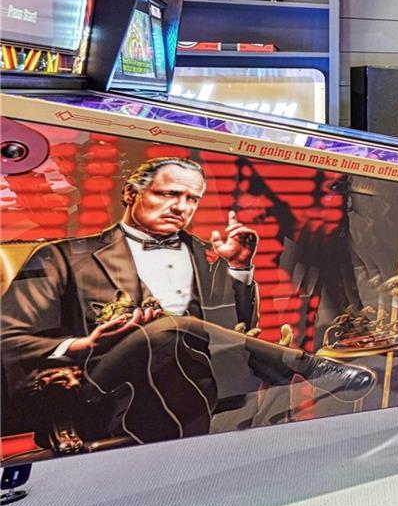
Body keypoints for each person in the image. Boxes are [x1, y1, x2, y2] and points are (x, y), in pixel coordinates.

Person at [1, 157, 374, 447]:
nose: (180, 206)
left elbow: (236, 334)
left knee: (181, 344)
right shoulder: (65, 257)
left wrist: (240, 269)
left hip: (199, 384)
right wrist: (84, 344)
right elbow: (8, 338)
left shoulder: (205, 254)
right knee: (169, 329)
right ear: (131, 193)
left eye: (191, 198)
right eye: (167, 194)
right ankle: (311, 368)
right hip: (101, 391)